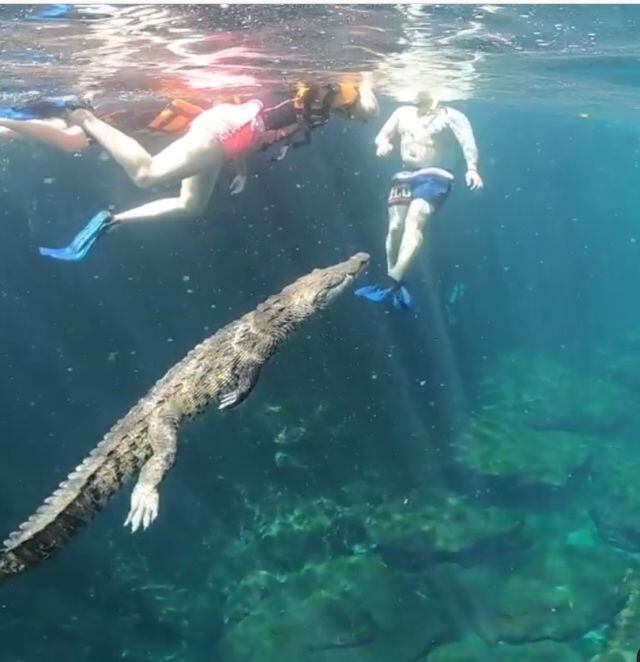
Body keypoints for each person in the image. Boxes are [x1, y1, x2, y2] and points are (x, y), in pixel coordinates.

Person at [31, 80, 378, 261]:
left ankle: (112, 221)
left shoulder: (322, 105)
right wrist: (367, 88)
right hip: (226, 130)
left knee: (191, 206)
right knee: (147, 174)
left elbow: (262, 131)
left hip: (232, 139)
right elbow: (363, 102)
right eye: (357, 115)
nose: (357, 119)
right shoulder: (330, 92)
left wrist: (239, 166)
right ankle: (81, 114)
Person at [355, 90, 483, 311]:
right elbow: (382, 135)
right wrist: (382, 144)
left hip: (436, 174)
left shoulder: (452, 116)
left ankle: (394, 276)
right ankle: (391, 278)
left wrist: (472, 169)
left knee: (415, 220)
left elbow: (467, 142)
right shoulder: (402, 112)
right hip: (406, 174)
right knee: (395, 227)